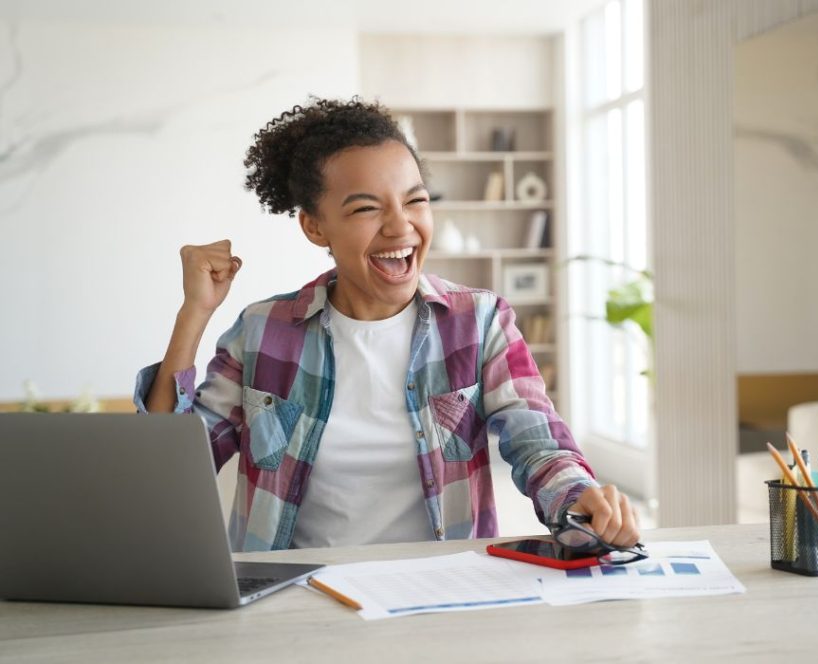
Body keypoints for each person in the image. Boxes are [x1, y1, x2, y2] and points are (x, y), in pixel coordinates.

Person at [136, 97, 640, 552]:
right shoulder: (263, 330)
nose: (400, 226)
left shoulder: (479, 321)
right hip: (288, 600)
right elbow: (171, 472)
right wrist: (194, 313)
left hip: (438, 597)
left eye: (415, 200)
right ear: (315, 226)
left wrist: (581, 499)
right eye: (366, 208)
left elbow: (540, 446)